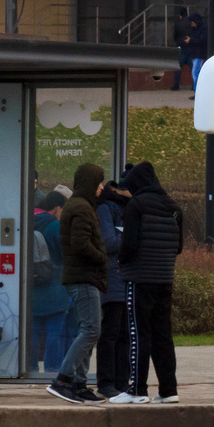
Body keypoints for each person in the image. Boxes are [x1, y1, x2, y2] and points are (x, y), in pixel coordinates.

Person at [112, 161, 183, 404]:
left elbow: (129, 244)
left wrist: (121, 260)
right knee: (163, 334)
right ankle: (168, 390)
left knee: (137, 332)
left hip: (139, 277)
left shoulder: (136, 205)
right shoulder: (173, 207)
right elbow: (179, 247)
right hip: (165, 278)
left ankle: (136, 389)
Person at [48, 163, 108, 404]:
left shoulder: (79, 205)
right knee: (92, 329)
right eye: (99, 182)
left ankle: (80, 384)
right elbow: (81, 244)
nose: (102, 187)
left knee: (88, 330)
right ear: (90, 182)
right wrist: (102, 257)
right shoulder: (81, 208)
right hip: (83, 277)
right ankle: (63, 380)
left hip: (83, 277)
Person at [95, 180, 132, 400]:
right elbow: (108, 242)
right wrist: (132, 238)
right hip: (112, 279)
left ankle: (121, 382)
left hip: (127, 279)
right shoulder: (106, 208)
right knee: (110, 334)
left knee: (125, 335)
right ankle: (106, 383)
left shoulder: (129, 208)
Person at [30, 191, 69, 373]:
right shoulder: (55, 226)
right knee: (55, 331)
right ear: (56, 208)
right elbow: (65, 255)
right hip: (54, 286)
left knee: (33, 331)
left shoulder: (27, 222)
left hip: (31, 287)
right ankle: (53, 370)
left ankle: (29, 368)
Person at [187, 12, 209, 94]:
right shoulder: (195, 29)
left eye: (192, 22)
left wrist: (191, 40)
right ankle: (197, 91)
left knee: (195, 72)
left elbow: (203, 41)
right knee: (196, 72)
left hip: (199, 54)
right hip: (195, 53)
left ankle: (198, 92)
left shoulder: (203, 28)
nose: (191, 23)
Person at [171, 8, 192, 91]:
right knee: (193, 68)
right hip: (190, 47)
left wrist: (178, 41)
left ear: (180, 16)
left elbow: (175, 36)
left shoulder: (178, 24)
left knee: (178, 67)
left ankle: (176, 85)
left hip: (181, 47)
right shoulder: (191, 23)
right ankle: (194, 86)